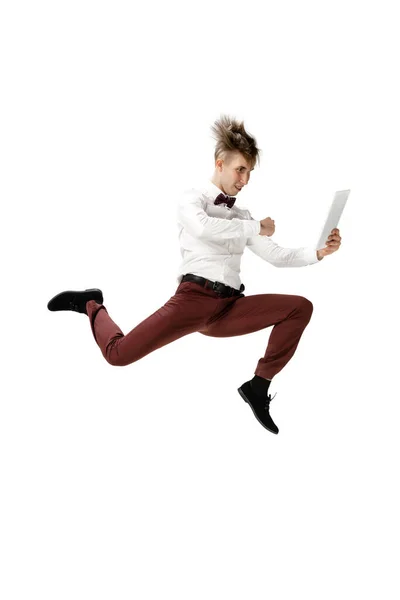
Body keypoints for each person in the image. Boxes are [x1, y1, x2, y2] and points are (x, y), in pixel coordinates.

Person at [47, 115, 342, 435]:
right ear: (220, 164)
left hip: (229, 306)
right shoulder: (192, 200)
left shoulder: (241, 215)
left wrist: (318, 252)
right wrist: (256, 226)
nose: (245, 180)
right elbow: (204, 227)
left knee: (300, 306)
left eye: (249, 173)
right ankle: (93, 303)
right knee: (118, 355)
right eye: (240, 170)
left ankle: (258, 386)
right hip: (194, 301)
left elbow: (278, 256)